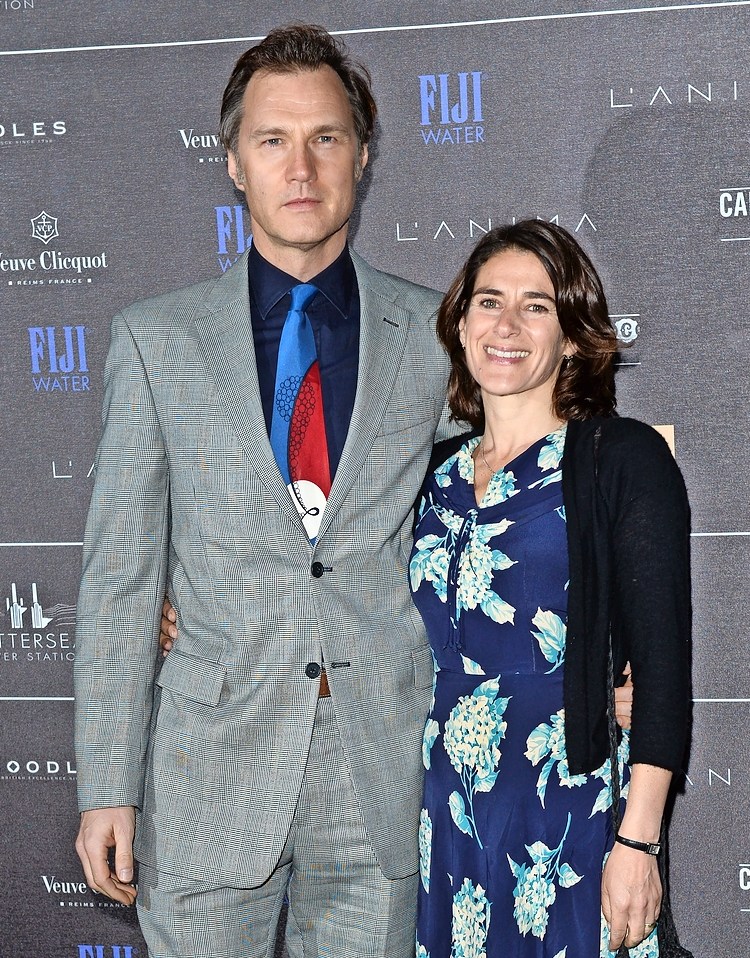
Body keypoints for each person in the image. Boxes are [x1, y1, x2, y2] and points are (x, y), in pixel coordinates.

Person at [73, 24, 451, 958]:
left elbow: (514, 508)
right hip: (206, 769)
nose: (301, 167)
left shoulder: (440, 335)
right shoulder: (156, 341)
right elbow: (121, 577)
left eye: (325, 137)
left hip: (380, 773)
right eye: (273, 140)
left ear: (362, 156)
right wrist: (106, 786)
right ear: (235, 163)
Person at [410, 220, 691, 957]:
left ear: (571, 336)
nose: (506, 325)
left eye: (536, 306)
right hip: (448, 813)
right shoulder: (428, 474)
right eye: (488, 302)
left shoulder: (620, 458)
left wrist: (639, 841)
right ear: (461, 325)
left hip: (572, 811)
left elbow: (662, 670)